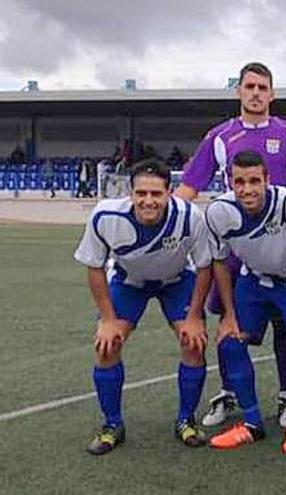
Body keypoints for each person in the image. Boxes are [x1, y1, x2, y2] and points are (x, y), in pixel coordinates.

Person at [175, 62, 286, 429]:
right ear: (239, 92)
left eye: (263, 87)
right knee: (228, 323)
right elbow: (190, 187)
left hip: (281, 245)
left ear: (272, 94)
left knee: (285, 325)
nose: (256, 93)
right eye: (250, 87)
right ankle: (230, 392)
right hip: (235, 248)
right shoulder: (220, 136)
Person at [74, 160, 213, 455]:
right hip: (129, 281)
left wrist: (194, 317)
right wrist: (108, 319)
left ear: (169, 192)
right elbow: (94, 268)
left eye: (156, 194)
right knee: (107, 345)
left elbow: (204, 268)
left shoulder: (190, 217)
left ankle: (186, 420)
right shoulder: (106, 215)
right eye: (141, 193)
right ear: (130, 192)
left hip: (177, 279)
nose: (148, 201)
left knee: (194, 342)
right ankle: (112, 424)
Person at [203, 150, 286, 450]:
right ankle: (251, 422)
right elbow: (220, 262)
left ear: (267, 180)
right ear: (230, 182)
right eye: (239, 182)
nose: (247, 189)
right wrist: (229, 313)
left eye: (253, 181)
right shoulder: (218, 212)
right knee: (229, 340)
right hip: (254, 281)